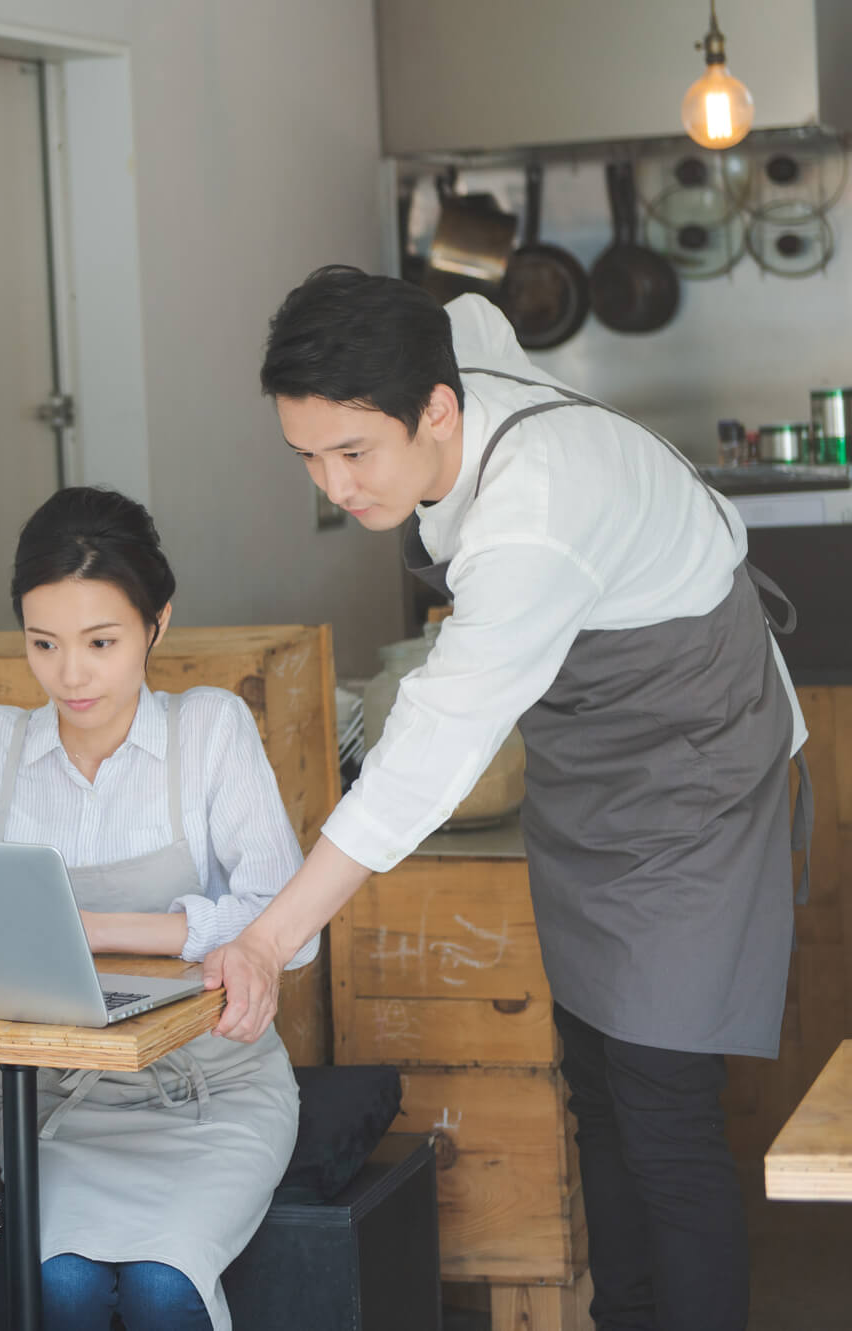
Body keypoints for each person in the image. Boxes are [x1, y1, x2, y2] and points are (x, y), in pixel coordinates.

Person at [206, 266, 809, 1331]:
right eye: (308, 455)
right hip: (589, 768)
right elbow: (466, 309)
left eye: (354, 452)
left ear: (436, 410)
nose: (334, 486)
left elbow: (425, 751)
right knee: (596, 1083)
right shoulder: (458, 350)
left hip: (693, 769)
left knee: (662, 1103)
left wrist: (267, 939)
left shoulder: (528, 519)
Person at [0, 486, 321, 1331]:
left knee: (162, 1288)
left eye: (101, 642)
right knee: (64, 1289)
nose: (70, 674)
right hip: (55, 1106)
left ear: (158, 624)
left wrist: (92, 931)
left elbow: (290, 925)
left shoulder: (211, 730)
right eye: (44, 643)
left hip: (213, 1097)